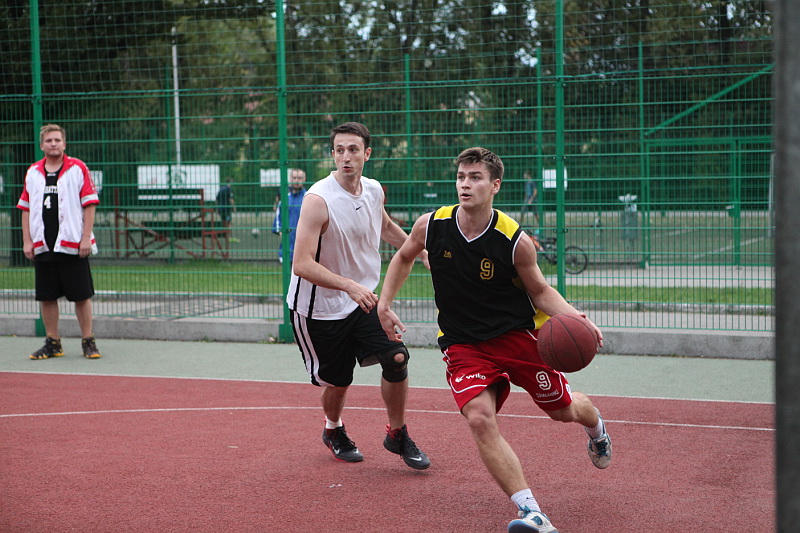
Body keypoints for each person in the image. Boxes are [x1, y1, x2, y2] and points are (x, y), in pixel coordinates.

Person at [378, 147, 611, 532]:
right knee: (479, 417)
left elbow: (539, 291)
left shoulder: (513, 239)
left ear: (495, 185)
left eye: (475, 177)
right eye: (461, 177)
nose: (465, 184)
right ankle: (533, 513)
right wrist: (384, 303)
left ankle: (597, 428)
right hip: (463, 343)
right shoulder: (431, 226)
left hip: (518, 337)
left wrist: (572, 316)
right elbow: (404, 257)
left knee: (563, 410)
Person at [287, 121, 430, 470]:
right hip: (319, 308)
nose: (346, 157)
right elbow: (301, 264)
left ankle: (397, 433)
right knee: (338, 382)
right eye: (339, 150)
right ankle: (333, 428)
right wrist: (349, 285)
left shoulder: (373, 190)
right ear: (332, 155)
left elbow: (384, 226)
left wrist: (421, 252)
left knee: (396, 357)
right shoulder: (318, 200)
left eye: (353, 150)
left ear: (367, 154)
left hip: (362, 299)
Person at [17, 124, 102, 360]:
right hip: (43, 244)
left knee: (81, 295)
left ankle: (88, 341)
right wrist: (27, 240)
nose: (53, 144)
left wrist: (85, 237)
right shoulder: (33, 172)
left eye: (57, 140)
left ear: (64, 143)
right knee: (47, 296)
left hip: (72, 243)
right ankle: (53, 343)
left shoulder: (77, 168)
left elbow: (89, 203)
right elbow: (25, 208)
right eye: (49, 140)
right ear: (41, 145)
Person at [272, 168, 307, 263]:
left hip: (305, 248)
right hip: (288, 248)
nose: (296, 180)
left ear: (304, 179)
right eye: (294, 178)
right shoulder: (284, 199)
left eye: (299, 178)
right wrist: (281, 233)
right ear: (290, 179)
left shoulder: (308, 197)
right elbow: (278, 222)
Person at [216, 177, 238, 243]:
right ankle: (229, 237)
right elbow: (230, 199)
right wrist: (234, 208)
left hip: (221, 209)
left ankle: (225, 237)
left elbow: (217, 200)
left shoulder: (221, 189)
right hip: (226, 209)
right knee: (228, 223)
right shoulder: (229, 189)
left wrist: (217, 209)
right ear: (230, 182)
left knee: (224, 222)